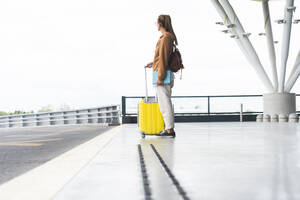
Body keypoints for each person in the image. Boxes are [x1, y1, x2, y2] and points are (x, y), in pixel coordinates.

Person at [146, 14, 178, 136]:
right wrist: (153, 62)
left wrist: (160, 77)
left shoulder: (165, 38)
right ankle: (169, 128)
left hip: (163, 75)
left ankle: (169, 129)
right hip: (165, 72)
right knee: (164, 102)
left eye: (156, 22)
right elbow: (163, 57)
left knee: (165, 103)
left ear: (160, 24)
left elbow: (164, 59)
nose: (156, 24)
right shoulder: (168, 37)